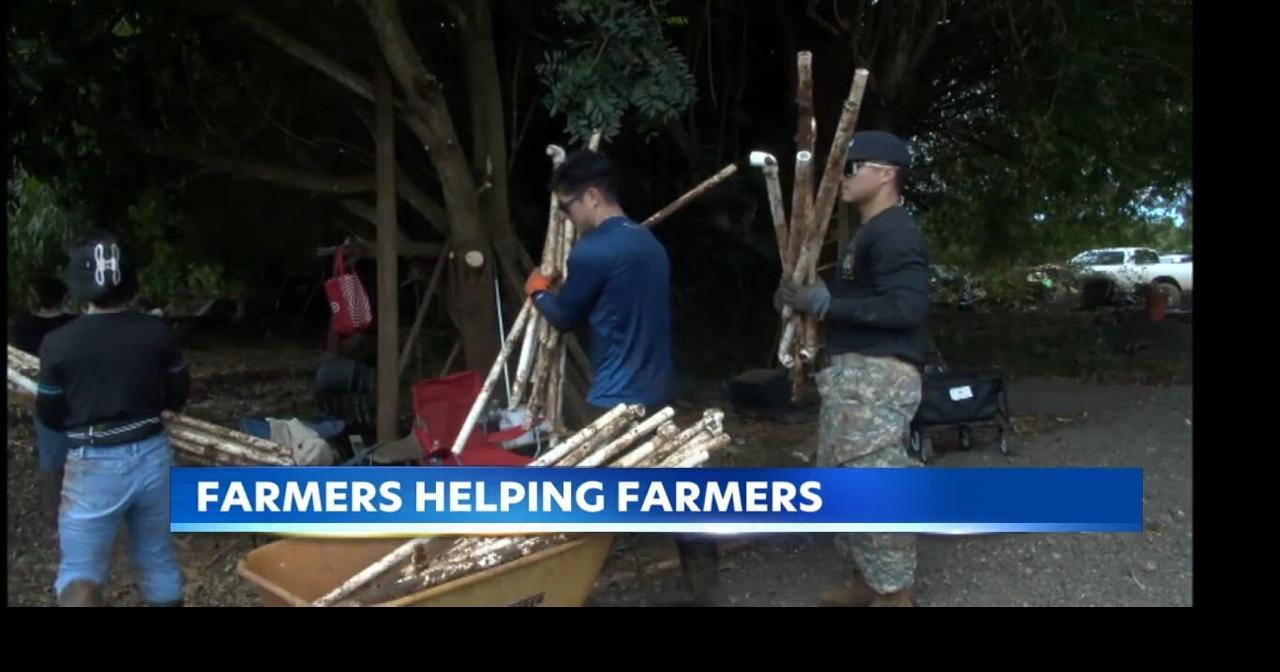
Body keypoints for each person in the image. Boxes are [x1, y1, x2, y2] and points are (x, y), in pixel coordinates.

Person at [525, 149, 723, 606]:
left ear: (592, 196)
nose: (568, 219)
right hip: (660, 393)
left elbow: (566, 316)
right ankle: (706, 592)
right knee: (683, 496)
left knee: (590, 502)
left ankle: (571, 591)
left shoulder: (593, 251)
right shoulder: (648, 244)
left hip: (615, 398)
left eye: (567, 208)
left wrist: (537, 293)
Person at [776, 130, 930, 607]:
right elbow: (864, 297)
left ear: (886, 174)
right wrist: (808, 298)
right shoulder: (869, 231)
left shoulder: (896, 232)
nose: (843, 176)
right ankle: (870, 580)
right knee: (843, 481)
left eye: (854, 166)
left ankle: (894, 595)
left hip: (880, 378)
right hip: (855, 376)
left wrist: (827, 306)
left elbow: (906, 309)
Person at [36, 232, 191, 607]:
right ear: (132, 282)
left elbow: (50, 415)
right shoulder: (157, 333)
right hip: (153, 453)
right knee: (157, 561)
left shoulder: (58, 344)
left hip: (92, 462)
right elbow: (177, 395)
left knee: (80, 572)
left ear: (77, 287)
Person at [11, 276, 79, 521]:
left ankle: (54, 510)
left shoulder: (23, 326)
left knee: (51, 453)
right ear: (63, 297)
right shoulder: (75, 324)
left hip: (39, 391)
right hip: (78, 393)